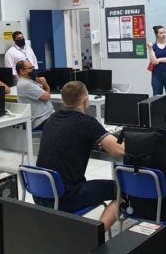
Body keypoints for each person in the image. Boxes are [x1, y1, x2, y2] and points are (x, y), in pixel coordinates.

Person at [35, 80, 124, 231]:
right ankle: (98, 233)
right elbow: (119, 151)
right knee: (123, 190)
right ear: (85, 99)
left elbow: (69, 139)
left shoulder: (51, 119)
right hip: (66, 196)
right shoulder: (87, 122)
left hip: (40, 194)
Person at [146, 25, 166, 118]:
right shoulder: (153, 47)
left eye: (164, 32)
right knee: (156, 98)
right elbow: (153, 61)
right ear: (156, 35)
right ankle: (158, 119)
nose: (164, 34)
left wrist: (160, 60)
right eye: (161, 33)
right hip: (156, 76)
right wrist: (150, 48)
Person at [16, 61, 54, 131]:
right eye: (30, 68)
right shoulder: (26, 84)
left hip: (46, 117)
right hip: (41, 120)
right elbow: (46, 97)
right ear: (22, 71)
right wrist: (45, 84)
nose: (33, 70)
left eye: (33, 67)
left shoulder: (29, 82)